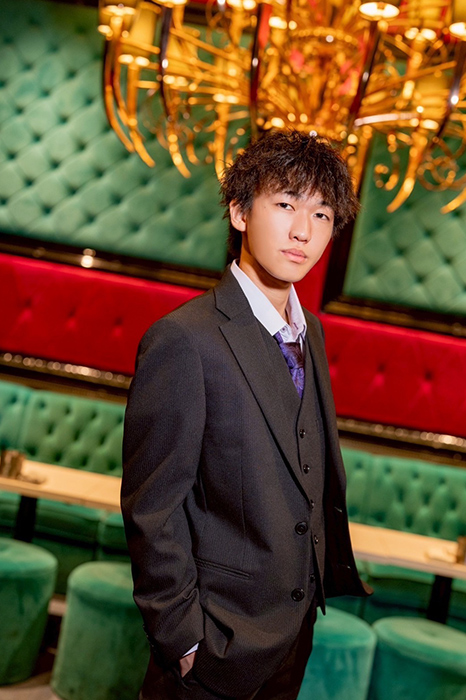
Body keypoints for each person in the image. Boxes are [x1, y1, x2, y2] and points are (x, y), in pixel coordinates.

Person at [121, 130, 371, 700]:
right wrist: (183, 638)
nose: (304, 231)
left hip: (292, 636)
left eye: (322, 213)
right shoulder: (185, 339)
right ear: (239, 212)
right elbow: (153, 507)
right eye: (285, 204)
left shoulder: (312, 333)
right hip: (213, 644)